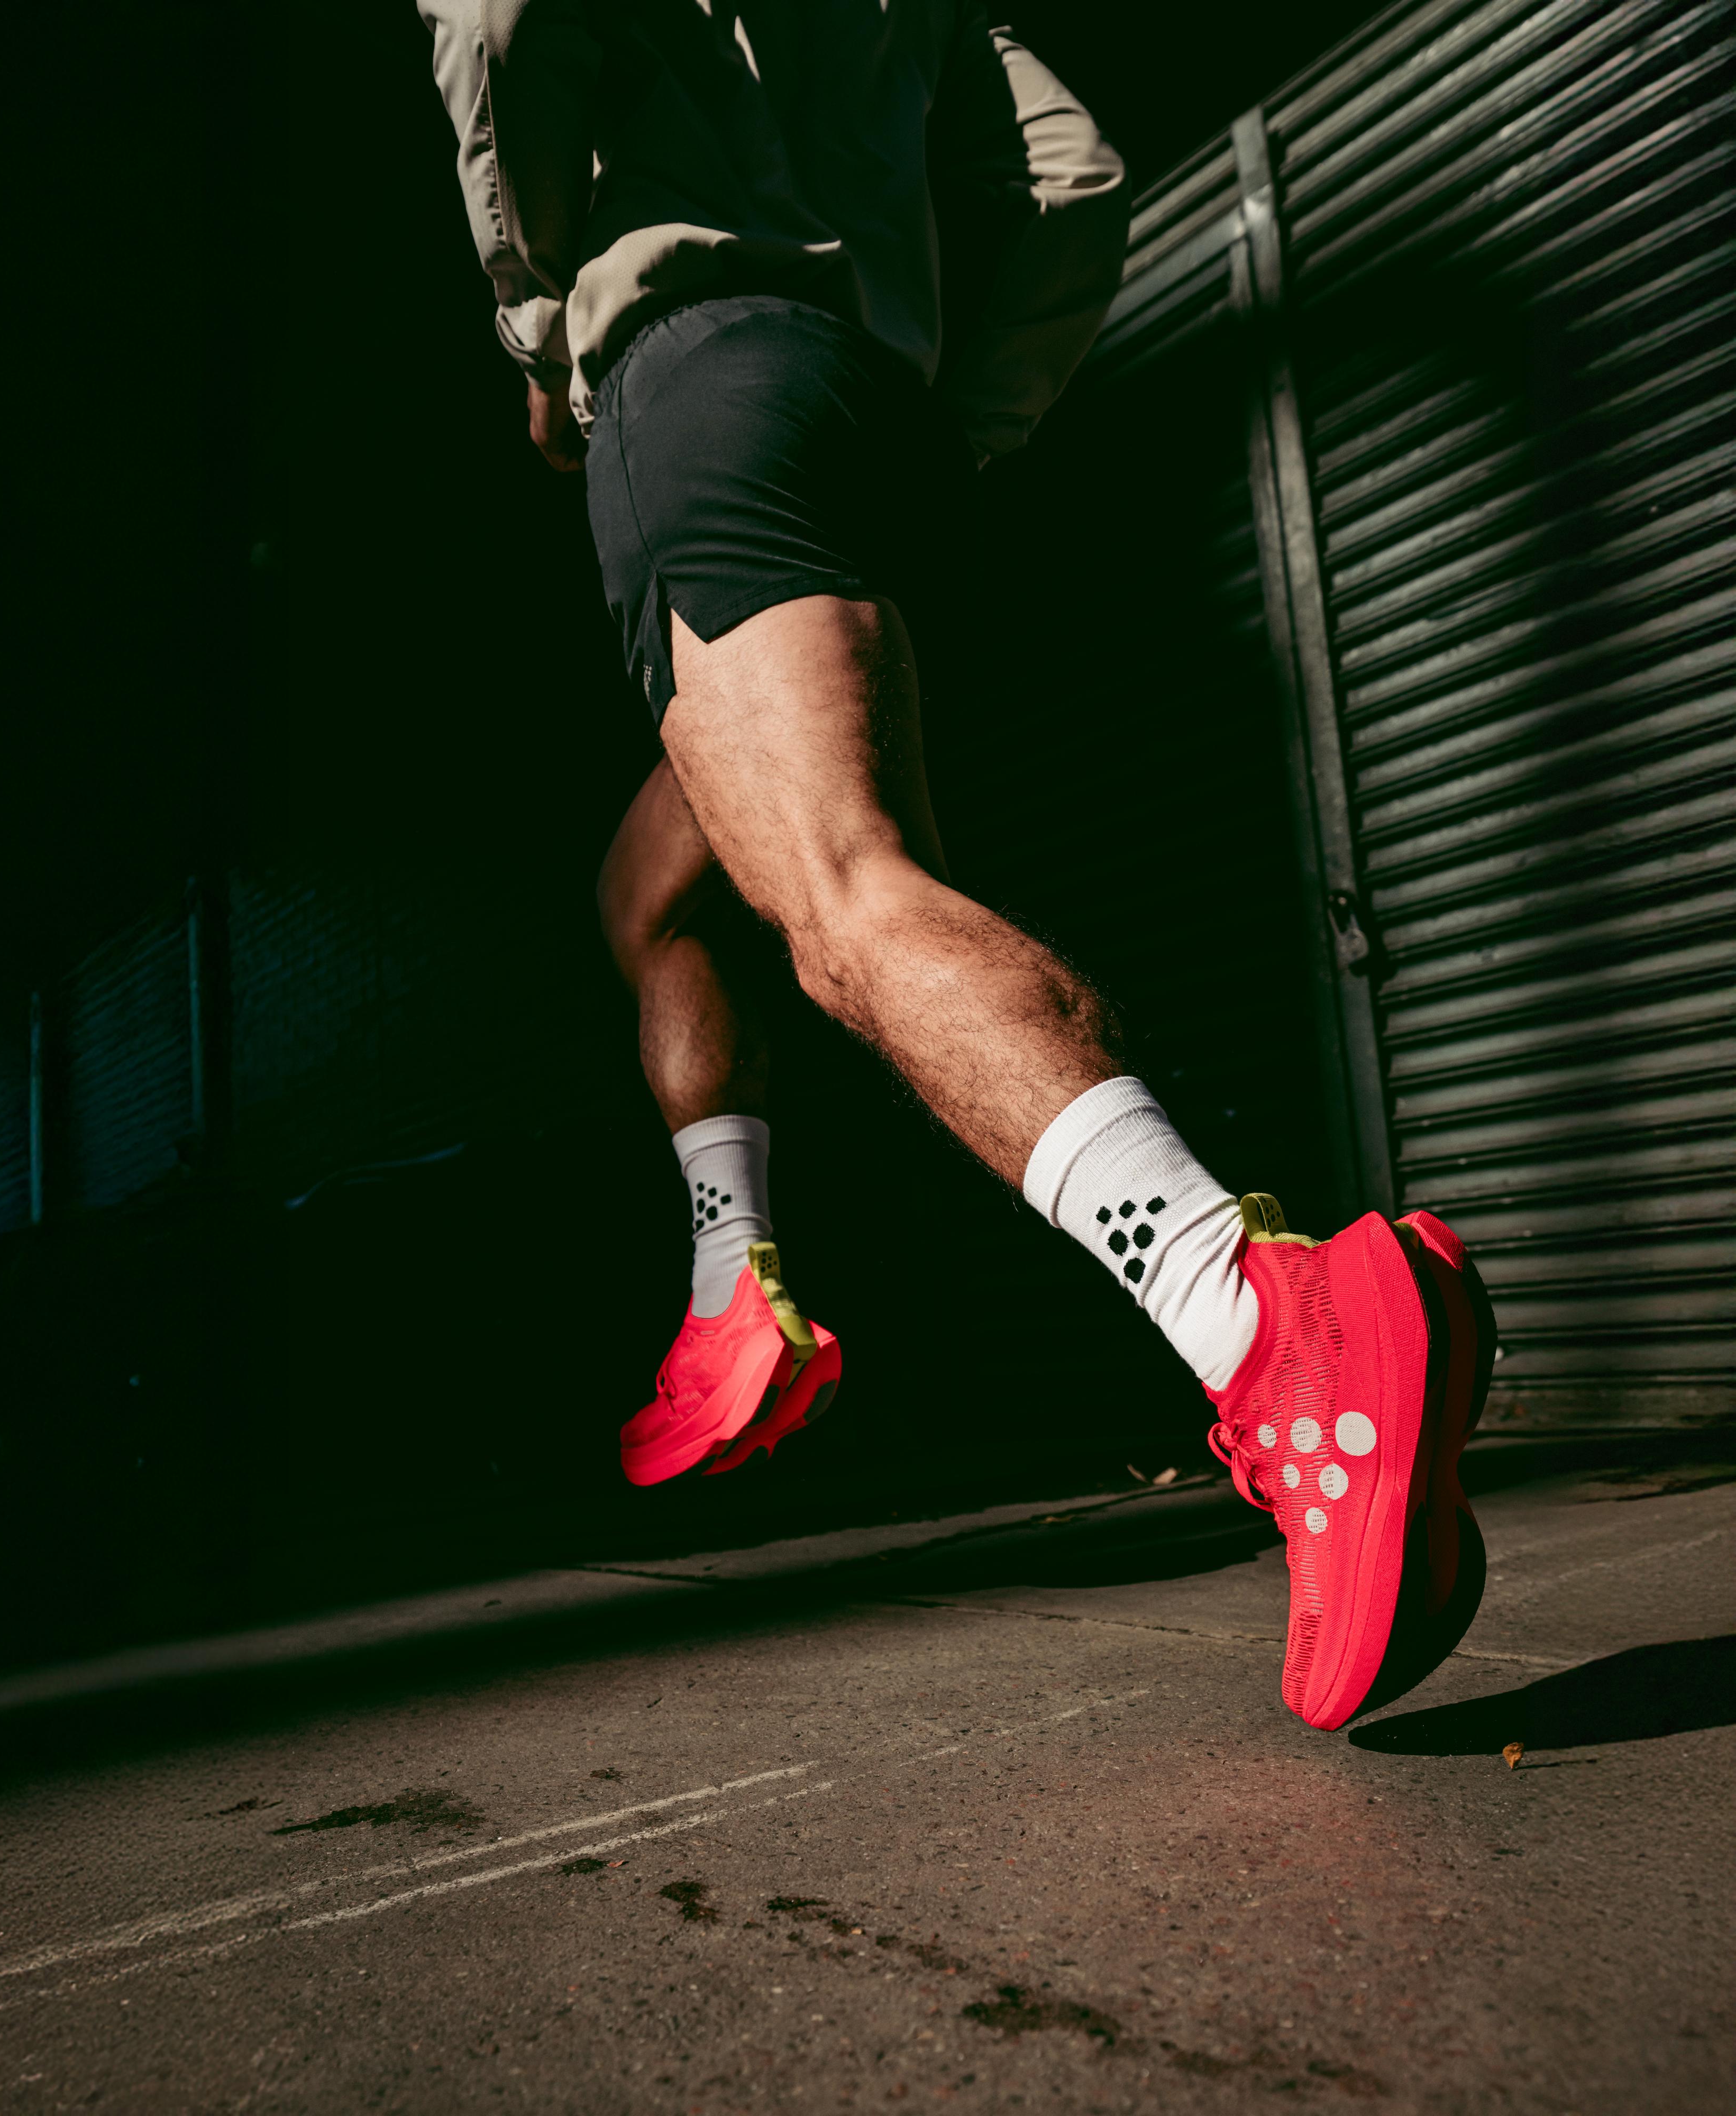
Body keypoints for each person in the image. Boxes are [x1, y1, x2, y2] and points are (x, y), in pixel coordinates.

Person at [417, 0, 1492, 1729]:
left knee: (850, 910)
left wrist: (541, 332)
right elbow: (1075, 181)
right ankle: (732, 1289)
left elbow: (500, 19)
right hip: (884, 423)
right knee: (659, 888)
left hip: (698, 380)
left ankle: (1264, 1322)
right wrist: (969, 421)